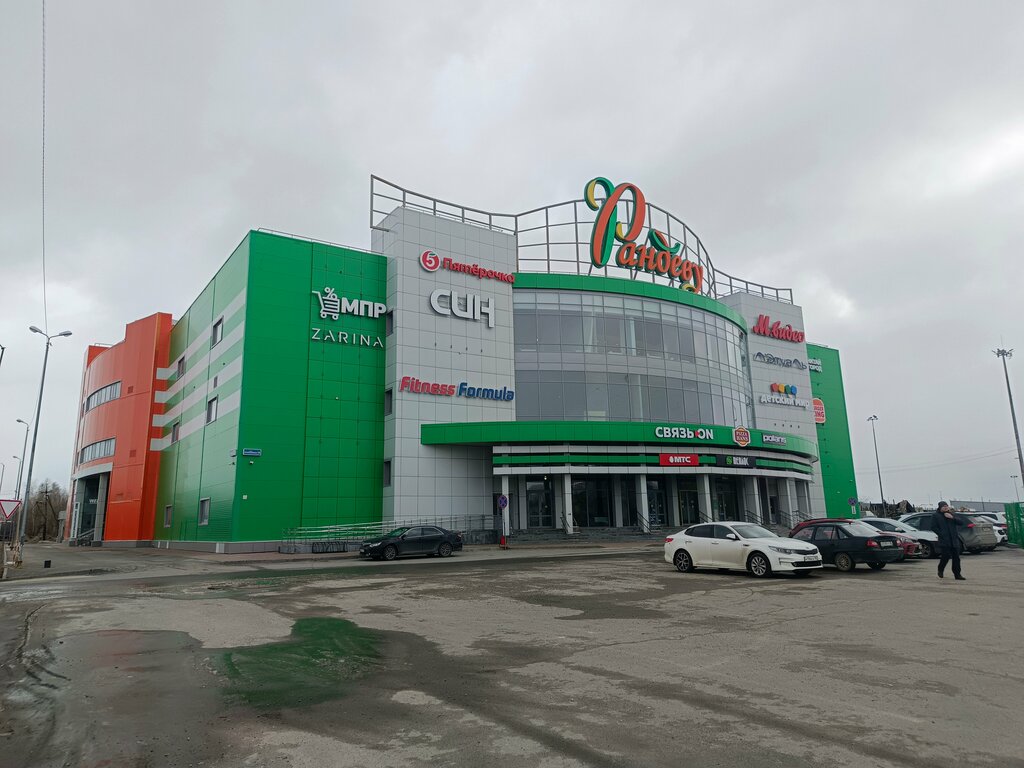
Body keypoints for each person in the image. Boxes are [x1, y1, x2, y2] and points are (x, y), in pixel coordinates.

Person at [932, 501, 966, 580]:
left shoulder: (951, 514)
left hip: (954, 540)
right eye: (943, 506)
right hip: (944, 540)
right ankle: (940, 569)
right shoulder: (936, 516)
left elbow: (961, 523)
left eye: (946, 506)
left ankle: (957, 574)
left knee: (956, 558)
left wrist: (952, 518)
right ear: (940, 507)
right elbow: (933, 527)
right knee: (946, 557)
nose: (945, 507)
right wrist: (941, 534)